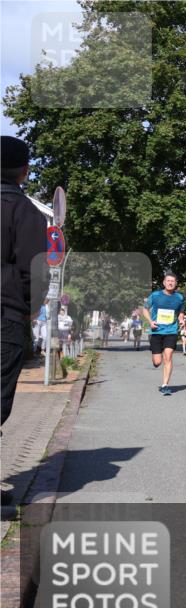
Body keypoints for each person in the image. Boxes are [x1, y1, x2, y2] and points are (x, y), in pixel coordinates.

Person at [1, 136, 48, 426]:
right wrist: (30, 308)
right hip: (5, 318)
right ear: (25, 171)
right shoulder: (27, 213)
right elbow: (35, 271)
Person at [142, 271, 184, 395]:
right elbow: (145, 309)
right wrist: (150, 321)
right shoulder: (155, 295)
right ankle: (155, 360)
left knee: (169, 356)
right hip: (156, 331)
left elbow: (180, 312)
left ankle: (165, 385)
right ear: (164, 283)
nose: (170, 283)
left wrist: (181, 320)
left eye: (173, 281)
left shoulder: (179, 297)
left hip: (171, 331)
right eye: (168, 281)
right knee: (157, 361)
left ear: (176, 283)